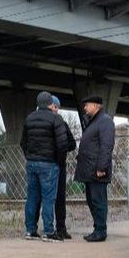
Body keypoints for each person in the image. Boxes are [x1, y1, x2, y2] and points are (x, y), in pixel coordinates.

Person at [21, 91, 72, 242]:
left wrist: (29, 156)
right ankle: (49, 232)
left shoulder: (29, 118)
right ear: (50, 103)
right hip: (49, 164)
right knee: (49, 198)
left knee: (32, 198)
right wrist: (57, 161)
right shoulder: (55, 118)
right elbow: (63, 144)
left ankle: (30, 230)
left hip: (31, 163)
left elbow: (23, 142)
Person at [74, 95, 115, 242]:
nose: (84, 108)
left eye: (87, 105)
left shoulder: (105, 121)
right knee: (92, 200)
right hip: (89, 169)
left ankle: (100, 231)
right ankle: (97, 228)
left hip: (97, 169)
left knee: (98, 200)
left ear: (96, 106)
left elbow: (106, 145)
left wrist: (102, 167)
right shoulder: (93, 122)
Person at [50, 95, 76, 240]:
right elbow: (72, 144)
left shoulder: (41, 121)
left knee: (47, 197)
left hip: (50, 163)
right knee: (59, 197)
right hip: (59, 165)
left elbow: (72, 143)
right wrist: (62, 149)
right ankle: (60, 228)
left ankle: (43, 228)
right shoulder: (61, 123)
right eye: (56, 106)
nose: (57, 109)